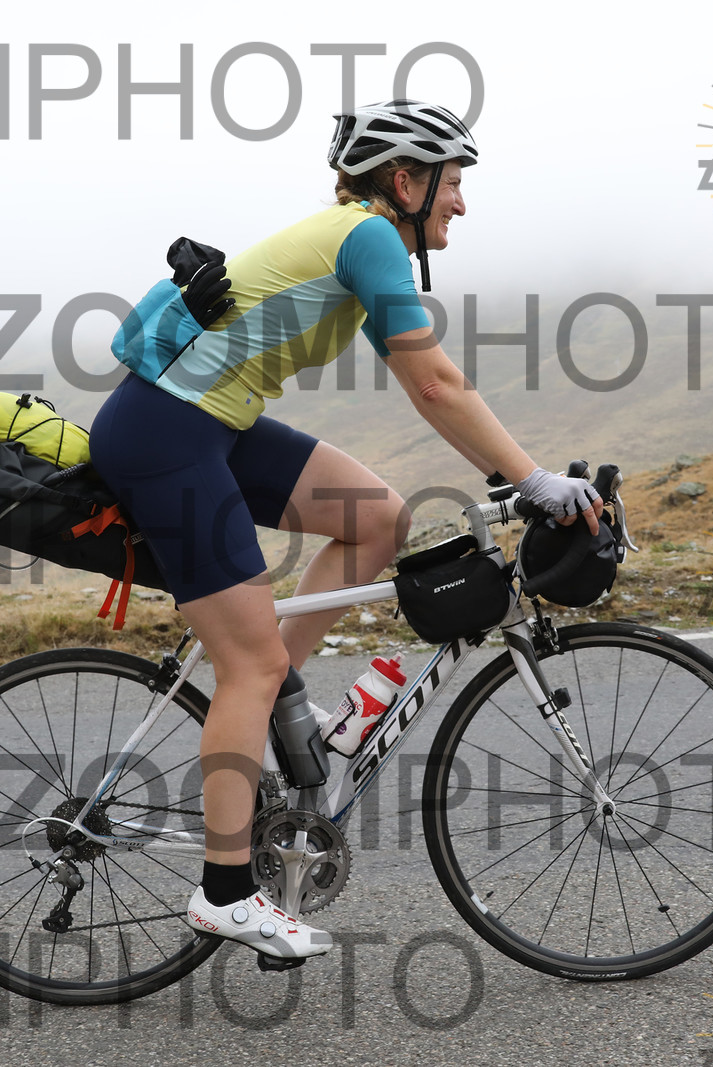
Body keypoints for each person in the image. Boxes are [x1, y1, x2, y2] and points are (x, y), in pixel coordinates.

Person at [90, 100, 601, 962]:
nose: (461, 202)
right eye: (452, 182)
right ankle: (225, 891)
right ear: (405, 180)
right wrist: (534, 479)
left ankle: (276, 705)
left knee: (376, 517)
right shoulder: (367, 237)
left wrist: (517, 471)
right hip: (165, 433)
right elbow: (436, 385)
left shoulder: (362, 242)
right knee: (247, 663)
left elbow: (429, 380)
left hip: (210, 423)